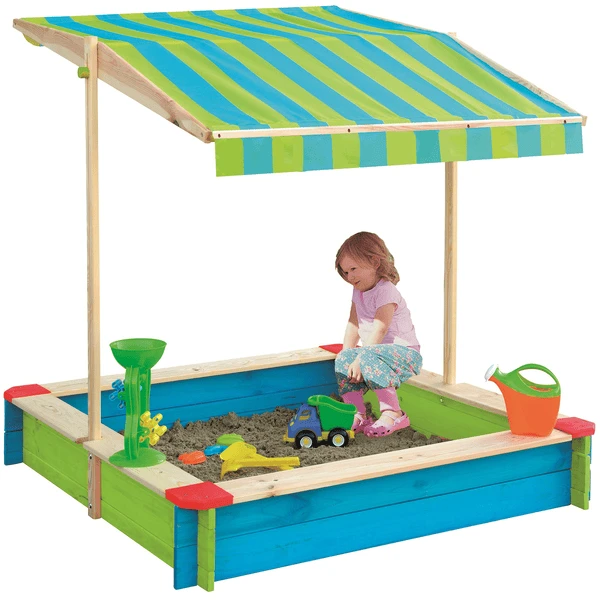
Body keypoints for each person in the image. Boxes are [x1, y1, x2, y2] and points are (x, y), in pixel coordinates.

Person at [334, 232, 422, 437]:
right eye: (346, 272)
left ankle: (394, 413)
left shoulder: (386, 290)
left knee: (367, 354)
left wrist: (360, 358)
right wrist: (348, 357)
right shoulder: (358, 291)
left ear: (374, 262)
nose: (350, 277)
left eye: (353, 269)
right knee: (343, 358)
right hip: (376, 353)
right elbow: (353, 324)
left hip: (405, 355)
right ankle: (357, 412)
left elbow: (380, 328)